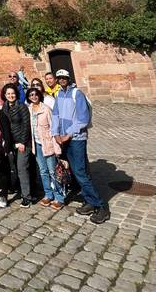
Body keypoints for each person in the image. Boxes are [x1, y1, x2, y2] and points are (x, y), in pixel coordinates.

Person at [52, 69, 109, 224]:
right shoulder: (59, 94)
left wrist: (68, 134)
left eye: (64, 77)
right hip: (65, 138)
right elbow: (55, 115)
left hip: (77, 138)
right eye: (59, 78)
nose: (62, 80)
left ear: (68, 78)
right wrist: (55, 133)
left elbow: (83, 118)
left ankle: (101, 206)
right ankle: (89, 201)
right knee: (77, 172)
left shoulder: (77, 94)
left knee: (81, 172)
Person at [27, 87, 65, 210]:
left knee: (53, 172)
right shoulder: (28, 110)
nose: (33, 97)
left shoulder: (46, 109)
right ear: (28, 97)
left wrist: (57, 148)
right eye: (31, 95)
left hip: (48, 145)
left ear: (39, 95)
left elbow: (54, 129)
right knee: (43, 171)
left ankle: (59, 197)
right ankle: (48, 194)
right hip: (36, 145)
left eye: (36, 94)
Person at [1, 83, 32, 207]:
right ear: (5, 95)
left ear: (16, 94)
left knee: (22, 169)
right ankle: (19, 189)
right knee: (13, 168)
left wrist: (23, 142)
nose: (10, 95)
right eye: (8, 94)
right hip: (12, 142)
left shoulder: (22, 106)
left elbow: (26, 125)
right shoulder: (5, 106)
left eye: (12, 93)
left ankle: (27, 197)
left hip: (23, 143)